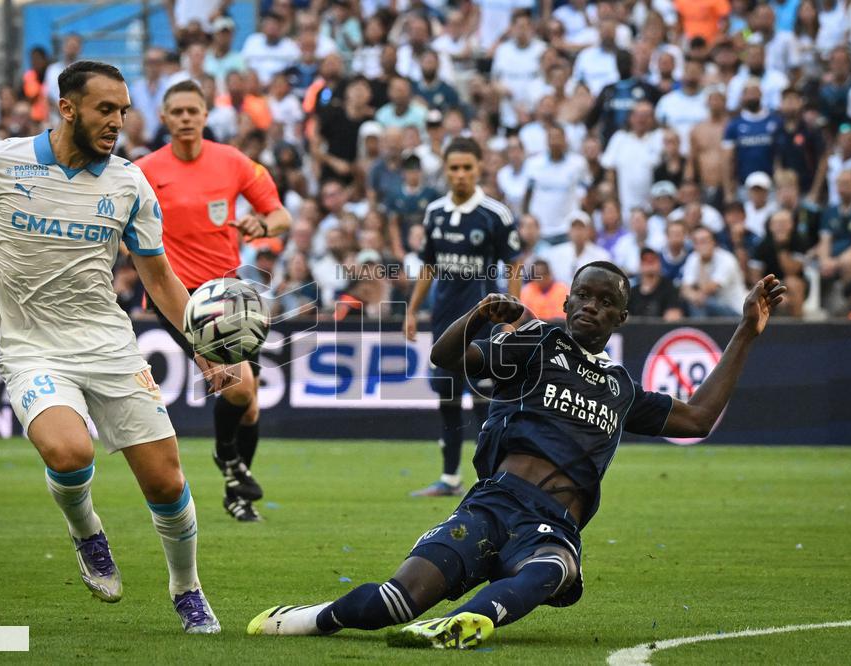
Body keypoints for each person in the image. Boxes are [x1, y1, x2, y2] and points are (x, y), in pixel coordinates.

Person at [248, 263, 786, 649]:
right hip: (493, 506)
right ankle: (315, 617)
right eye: (584, 297)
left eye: (605, 303)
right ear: (568, 301)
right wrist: (481, 313)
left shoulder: (622, 388)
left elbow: (697, 418)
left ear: (620, 318)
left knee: (554, 568)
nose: (591, 307)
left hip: (550, 526)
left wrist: (745, 332)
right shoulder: (537, 342)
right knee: (395, 601)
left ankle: (461, 622)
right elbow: (446, 357)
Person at [0, 61, 220, 634]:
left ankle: (187, 589)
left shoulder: (128, 181)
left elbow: (159, 279)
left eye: (124, 111)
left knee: (166, 482)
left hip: (110, 347)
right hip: (33, 350)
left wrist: (201, 344)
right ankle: (87, 533)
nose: (117, 122)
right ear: (67, 108)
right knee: (70, 451)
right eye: (106, 109)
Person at [135, 80, 292, 522]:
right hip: (179, 297)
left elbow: (281, 215)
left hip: (231, 294)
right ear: (164, 118)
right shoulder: (144, 170)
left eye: (193, 111)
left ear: (206, 116)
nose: (185, 118)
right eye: (177, 111)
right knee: (239, 386)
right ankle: (228, 462)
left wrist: (264, 227)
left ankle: (235, 490)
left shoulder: (233, 162)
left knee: (249, 402)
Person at [403, 137, 523, 497]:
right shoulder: (435, 212)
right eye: (454, 168)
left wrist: (511, 316)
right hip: (444, 321)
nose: (460, 175)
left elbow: (513, 264)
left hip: (484, 323)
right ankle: (450, 478)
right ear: (445, 169)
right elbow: (429, 266)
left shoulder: (494, 214)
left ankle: (489, 479)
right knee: (448, 399)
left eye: (467, 168)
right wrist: (411, 310)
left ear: (479, 167)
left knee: (485, 404)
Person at [628, 248, 684, 319]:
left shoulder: (669, 288)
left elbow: (674, 315)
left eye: (653, 260)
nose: (649, 264)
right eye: (645, 261)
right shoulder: (632, 292)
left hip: (662, 329)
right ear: (640, 265)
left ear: (659, 264)